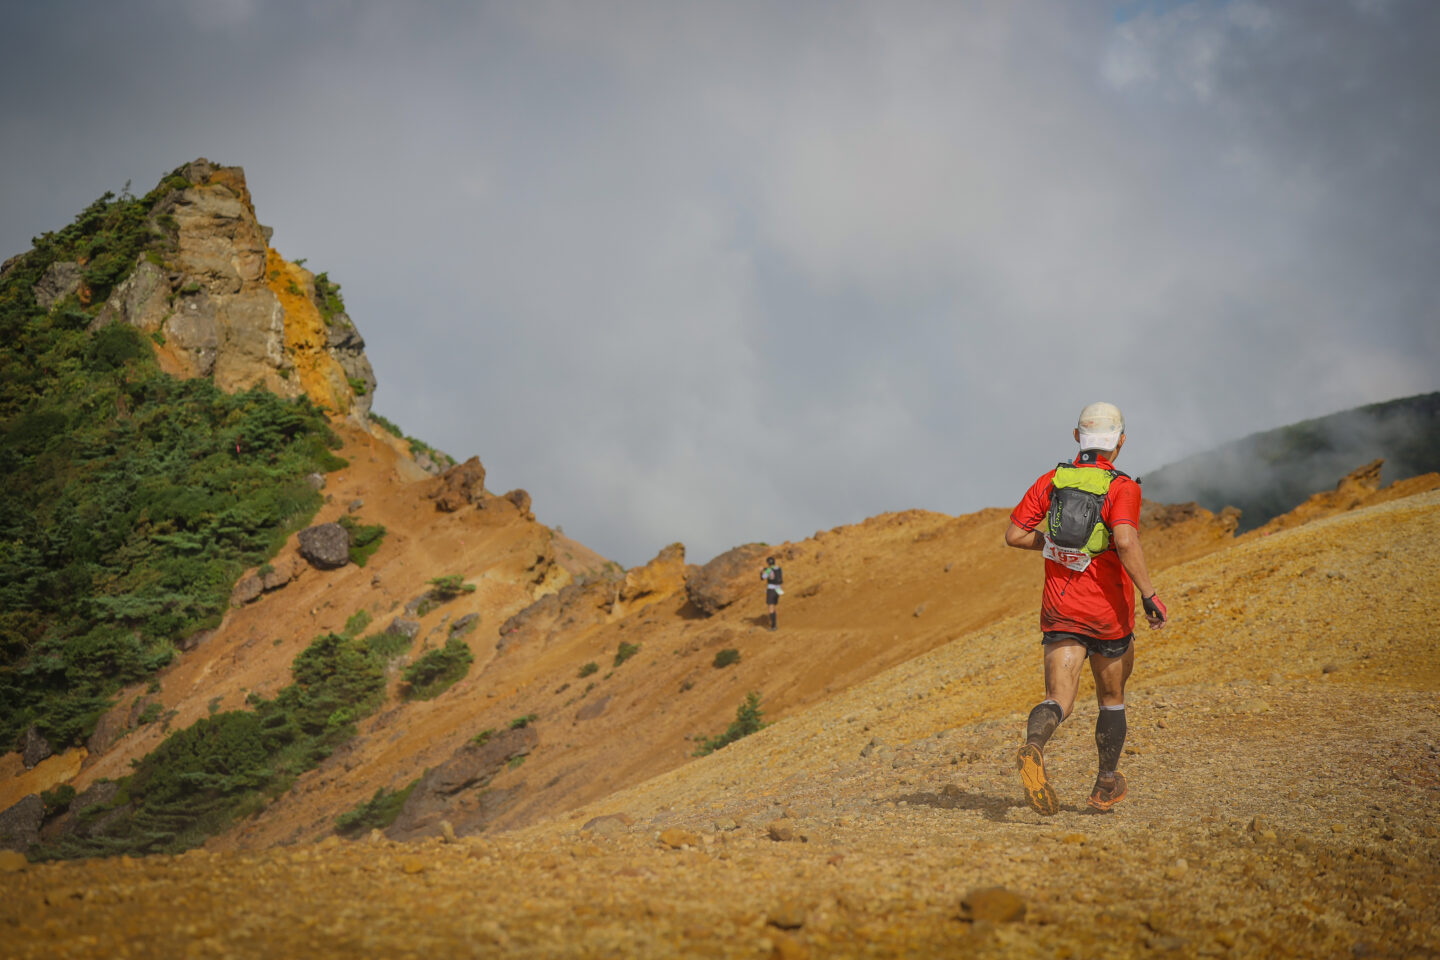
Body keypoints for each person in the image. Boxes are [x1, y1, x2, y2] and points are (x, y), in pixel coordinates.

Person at [1003, 402, 1168, 814]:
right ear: (1121, 442)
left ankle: (1034, 746)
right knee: (1111, 696)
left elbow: (1015, 534)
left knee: (1058, 697)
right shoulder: (1122, 487)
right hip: (1107, 613)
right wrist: (1149, 594)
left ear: (1077, 437)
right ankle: (1105, 785)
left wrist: (1051, 544)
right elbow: (1127, 541)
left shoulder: (1051, 480)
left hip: (1060, 608)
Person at [760, 556, 783, 631]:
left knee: (771, 608)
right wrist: (765, 569)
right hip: (778, 590)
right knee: (773, 607)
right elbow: (773, 570)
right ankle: (774, 623)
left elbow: (762, 578)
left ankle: (774, 626)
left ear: (768, 563)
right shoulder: (779, 568)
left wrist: (761, 571)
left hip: (771, 590)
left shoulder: (768, 570)